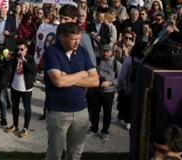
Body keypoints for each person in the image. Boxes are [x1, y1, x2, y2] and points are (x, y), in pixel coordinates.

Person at [43, 22, 99, 160]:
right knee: (54, 155)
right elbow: (58, 81)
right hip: (58, 113)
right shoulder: (51, 52)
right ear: (62, 37)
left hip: (81, 112)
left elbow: (96, 81)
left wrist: (68, 78)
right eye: (73, 39)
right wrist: (83, 73)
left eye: (79, 39)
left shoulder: (82, 51)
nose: (77, 43)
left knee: (75, 154)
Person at [88, 43, 120, 141]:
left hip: (109, 92)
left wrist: (110, 82)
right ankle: (94, 129)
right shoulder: (97, 60)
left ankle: (105, 132)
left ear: (111, 52)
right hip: (97, 90)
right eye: (104, 51)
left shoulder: (116, 63)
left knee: (107, 113)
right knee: (95, 111)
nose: (105, 53)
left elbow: (121, 78)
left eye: (107, 51)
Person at [7, 39, 36, 138]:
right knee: (15, 107)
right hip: (15, 86)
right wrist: (8, 59)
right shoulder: (15, 57)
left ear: (26, 49)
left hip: (26, 88)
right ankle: (15, 125)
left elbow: (33, 70)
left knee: (26, 108)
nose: (19, 51)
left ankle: (25, 128)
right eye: (18, 49)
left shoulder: (30, 58)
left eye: (21, 49)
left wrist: (24, 61)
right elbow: (10, 68)